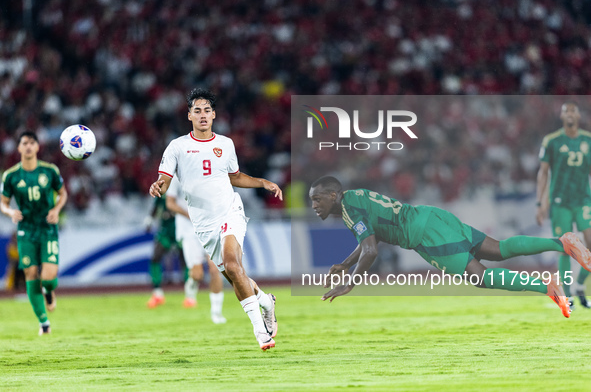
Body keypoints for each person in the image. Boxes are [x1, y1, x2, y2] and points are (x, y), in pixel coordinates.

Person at [310, 176, 591, 318]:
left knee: (480, 278)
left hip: (425, 235)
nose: (314, 206)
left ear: (333, 195)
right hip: (433, 216)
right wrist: (347, 264)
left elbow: (371, 250)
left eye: (318, 200)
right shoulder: (354, 197)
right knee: (499, 249)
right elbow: (372, 239)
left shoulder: (348, 209)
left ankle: (546, 287)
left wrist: (350, 283)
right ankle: (563, 242)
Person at [149, 88, 280, 350]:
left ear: (214, 114)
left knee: (232, 266)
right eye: (197, 111)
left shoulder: (225, 144)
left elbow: (235, 176)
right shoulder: (177, 147)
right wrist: (157, 187)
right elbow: (164, 180)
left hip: (230, 211)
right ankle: (266, 302)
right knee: (236, 275)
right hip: (203, 224)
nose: (203, 115)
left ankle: (261, 333)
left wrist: (262, 182)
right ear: (189, 116)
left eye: (207, 110)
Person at [1, 131, 68, 335]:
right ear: (19, 148)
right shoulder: (11, 175)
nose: (28, 146)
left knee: (47, 278)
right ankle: (44, 323)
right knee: (30, 273)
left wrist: (56, 210)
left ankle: (48, 290)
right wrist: (11, 211)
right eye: (24, 143)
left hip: (47, 228)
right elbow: (3, 203)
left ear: (38, 147)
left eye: (32, 143)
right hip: (26, 231)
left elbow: (63, 193)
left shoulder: (50, 171)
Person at [536, 101, 591, 310]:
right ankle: (567, 297)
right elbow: (543, 172)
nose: (569, 113)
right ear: (561, 117)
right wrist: (540, 202)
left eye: (573, 110)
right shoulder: (552, 141)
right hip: (560, 203)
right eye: (565, 110)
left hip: (584, 200)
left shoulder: (588, 140)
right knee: (565, 250)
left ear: (578, 115)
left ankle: (578, 286)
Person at [166, 175, 227, 323]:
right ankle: (191, 287)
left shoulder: (208, 173)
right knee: (197, 274)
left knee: (215, 269)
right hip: (188, 230)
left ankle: (216, 313)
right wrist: (189, 215)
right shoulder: (176, 178)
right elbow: (170, 204)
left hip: (209, 228)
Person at [144, 193, 179, 308]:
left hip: (180, 227)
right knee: (155, 257)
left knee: (186, 259)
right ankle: (157, 292)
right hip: (165, 230)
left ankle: (190, 294)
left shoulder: (183, 184)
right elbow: (156, 206)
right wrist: (149, 220)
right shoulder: (163, 186)